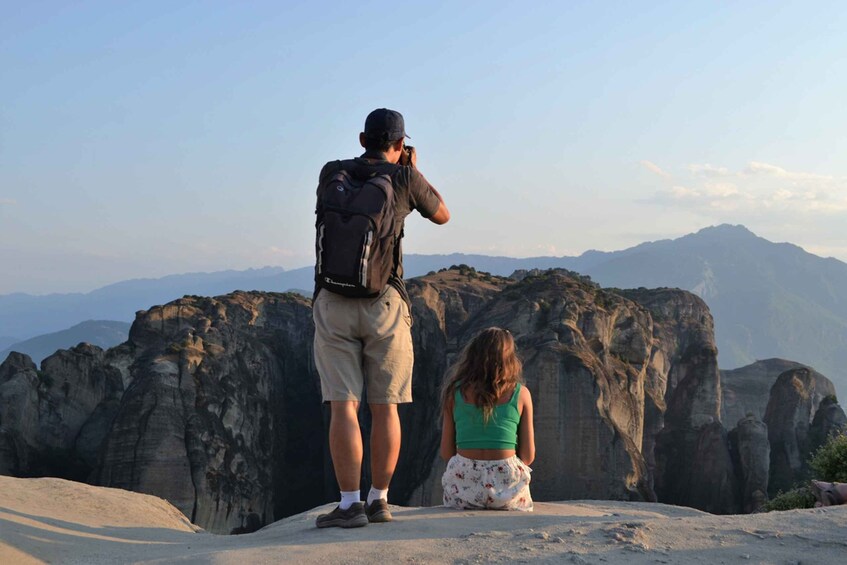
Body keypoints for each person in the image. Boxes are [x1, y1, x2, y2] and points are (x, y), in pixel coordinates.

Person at [313, 108, 450, 528]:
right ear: (400, 144)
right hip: (384, 303)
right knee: (385, 406)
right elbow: (442, 214)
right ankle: (380, 500)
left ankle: (349, 503)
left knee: (344, 407)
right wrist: (410, 170)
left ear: (361, 139)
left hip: (333, 300)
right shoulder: (404, 177)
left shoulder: (331, 172)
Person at [439, 327, 535, 511]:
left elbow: (446, 453)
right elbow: (528, 456)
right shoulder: (521, 394)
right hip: (506, 486)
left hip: (464, 483)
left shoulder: (454, 392)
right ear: (510, 360)